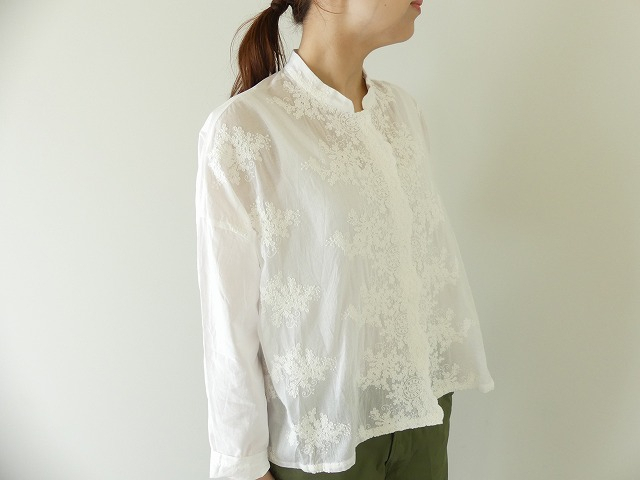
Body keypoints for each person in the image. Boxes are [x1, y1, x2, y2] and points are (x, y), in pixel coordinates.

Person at [194, 1, 495, 479]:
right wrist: (241, 464)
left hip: (424, 409)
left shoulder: (402, 113)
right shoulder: (246, 130)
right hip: (323, 437)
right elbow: (228, 318)